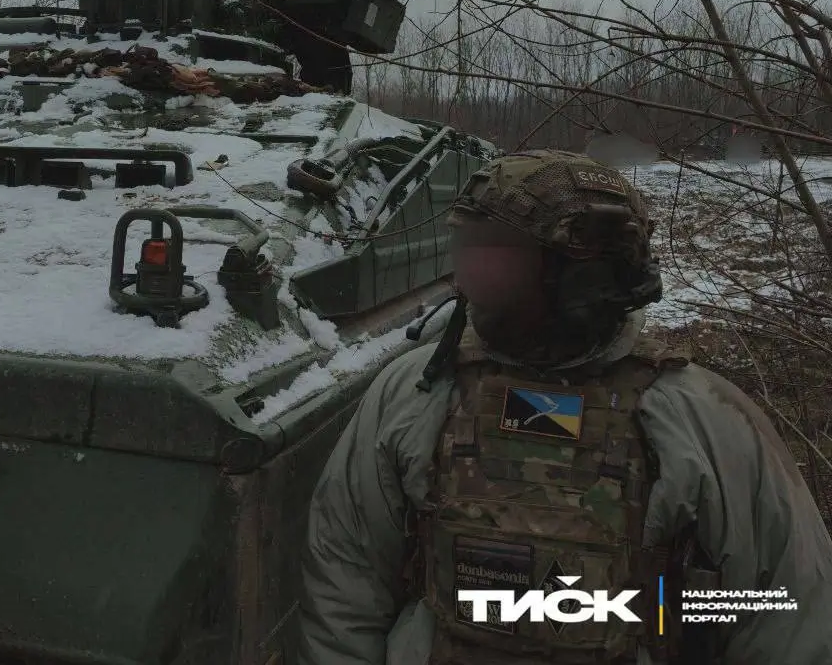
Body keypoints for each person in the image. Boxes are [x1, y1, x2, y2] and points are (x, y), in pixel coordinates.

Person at [296, 150, 832, 664]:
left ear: (581, 276)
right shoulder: (414, 392)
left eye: (494, 257)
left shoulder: (702, 418)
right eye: (465, 252)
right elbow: (346, 584)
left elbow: (788, 620)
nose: (465, 280)